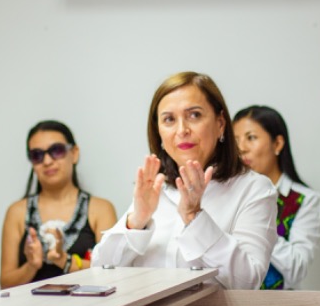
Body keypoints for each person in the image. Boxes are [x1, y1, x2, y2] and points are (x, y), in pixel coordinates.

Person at [90, 72, 276, 290]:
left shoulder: (254, 189)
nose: (182, 130)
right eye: (169, 119)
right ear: (158, 132)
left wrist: (194, 217)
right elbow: (100, 271)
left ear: (220, 123)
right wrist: (137, 220)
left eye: (194, 115)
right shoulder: (156, 188)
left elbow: (247, 281)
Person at [0, 121, 118, 288]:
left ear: (74, 153)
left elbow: (110, 272)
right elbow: (5, 283)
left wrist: (64, 260)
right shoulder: (17, 212)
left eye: (56, 150)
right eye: (37, 155)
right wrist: (31, 266)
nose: (47, 161)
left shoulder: (100, 209)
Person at [231, 105, 320, 289]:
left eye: (251, 138)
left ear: (278, 144)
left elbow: (297, 268)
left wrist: (259, 223)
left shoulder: (304, 200)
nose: (241, 148)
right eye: (235, 141)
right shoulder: (228, 195)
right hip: (228, 305)